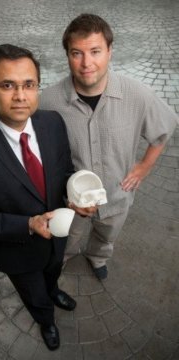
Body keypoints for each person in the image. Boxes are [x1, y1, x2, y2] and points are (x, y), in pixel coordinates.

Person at [0, 44, 76, 351]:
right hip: (18, 254)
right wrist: (29, 224)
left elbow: (64, 173)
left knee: (53, 271)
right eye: (8, 85)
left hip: (57, 238)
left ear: (37, 88)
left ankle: (53, 289)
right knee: (34, 295)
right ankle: (45, 320)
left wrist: (76, 197)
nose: (20, 96)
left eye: (28, 85)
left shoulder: (53, 123)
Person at [39, 14, 178, 281]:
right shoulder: (48, 102)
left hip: (116, 195)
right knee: (68, 237)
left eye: (95, 51)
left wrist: (143, 167)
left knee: (107, 233)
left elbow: (163, 130)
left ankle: (98, 256)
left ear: (110, 51)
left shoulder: (138, 95)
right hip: (70, 201)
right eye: (76, 53)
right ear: (67, 54)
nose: (86, 63)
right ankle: (63, 259)